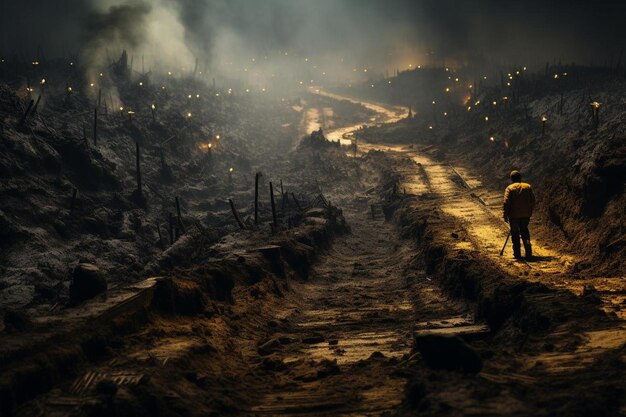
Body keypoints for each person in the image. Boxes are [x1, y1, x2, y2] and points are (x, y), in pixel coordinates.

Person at [503, 170, 535, 259]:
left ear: (511, 179)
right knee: (525, 231)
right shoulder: (528, 187)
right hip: (526, 215)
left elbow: (506, 202)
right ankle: (528, 251)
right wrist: (529, 211)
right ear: (520, 177)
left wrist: (505, 215)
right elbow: (533, 200)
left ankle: (517, 254)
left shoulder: (509, 188)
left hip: (514, 216)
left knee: (515, 234)